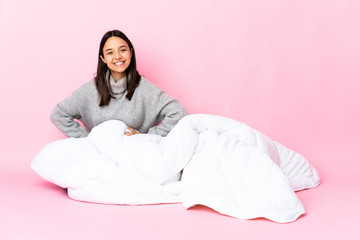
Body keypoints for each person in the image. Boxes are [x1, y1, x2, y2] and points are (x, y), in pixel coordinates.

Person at [51, 30, 187, 138]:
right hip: (99, 156)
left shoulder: (146, 89)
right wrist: (87, 141)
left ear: (130, 53)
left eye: (122, 50)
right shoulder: (91, 90)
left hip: (135, 154)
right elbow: (59, 114)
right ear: (103, 59)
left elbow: (179, 113)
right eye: (110, 52)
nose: (117, 56)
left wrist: (147, 137)